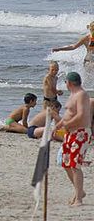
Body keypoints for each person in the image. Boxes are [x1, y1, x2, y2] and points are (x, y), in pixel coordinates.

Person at [58, 71, 91, 207]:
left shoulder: (81, 94)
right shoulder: (72, 94)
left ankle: (78, 199)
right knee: (66, 163)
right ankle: (80, 191)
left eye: (65, 82)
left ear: (69, 83)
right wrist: (58, 126)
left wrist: (67, 124)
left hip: (80, 133)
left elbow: (81, 115)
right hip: (70, 132)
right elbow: (68, 113)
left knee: (75, 165)